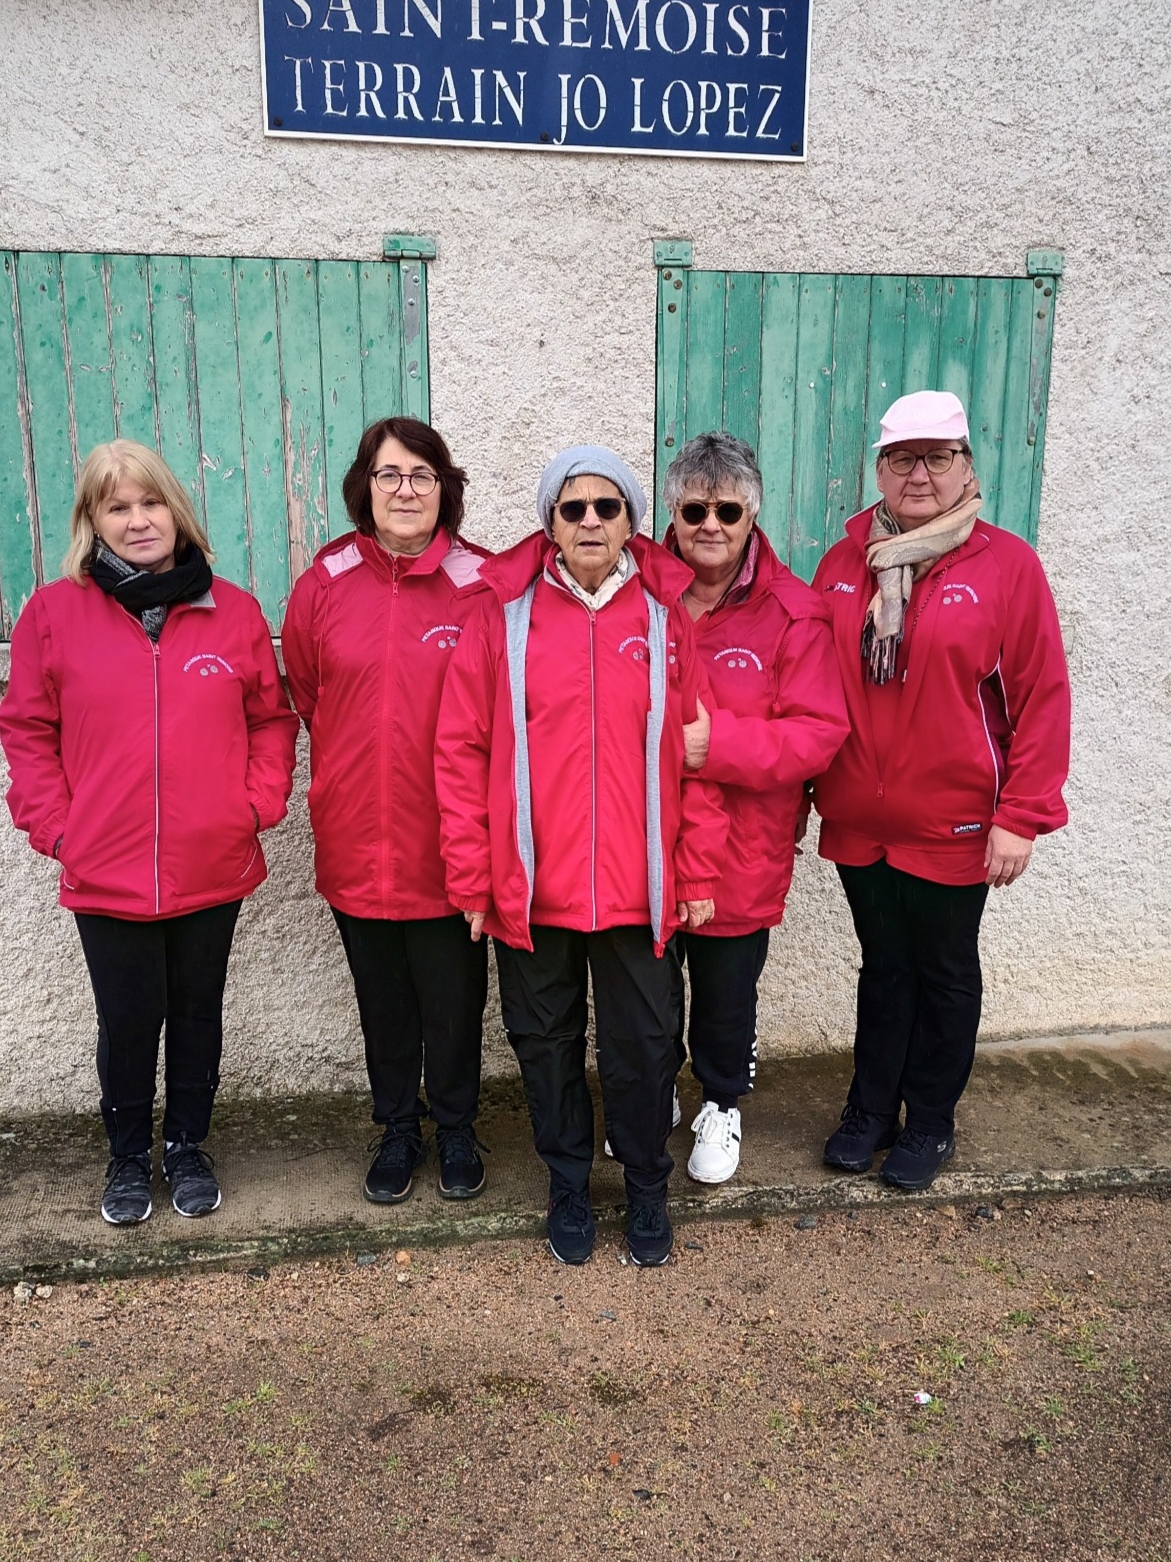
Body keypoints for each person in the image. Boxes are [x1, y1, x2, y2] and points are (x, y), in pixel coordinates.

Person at [435, 446, 728, 1267]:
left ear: (634, 521)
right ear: (550, 525)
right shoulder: (502, 617)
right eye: (573, 509)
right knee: (545, 1044)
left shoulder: (668, 620)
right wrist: (471, 878)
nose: (591, 521)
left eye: (607, 507)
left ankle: (643, 1187)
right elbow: (459, 753)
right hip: (534, 890)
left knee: (642, 1049)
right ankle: (567, 1184)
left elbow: (692, 760)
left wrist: (697, 871)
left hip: (639, 891)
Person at [0, 440, 298, 1225]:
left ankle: (187, 1147)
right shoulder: (52, 614)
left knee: (198, 1015)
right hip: (104, 867)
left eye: (150, 502)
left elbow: (270, 718)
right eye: (117, 507)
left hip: (214, 861)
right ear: (92, 522)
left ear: (176, 510)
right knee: (128, 1021)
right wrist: (58, 830)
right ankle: (128, 1156)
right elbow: (27, 730)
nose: (138, 521)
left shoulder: (230, 610)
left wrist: (257, 804)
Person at [811, 391, 1071, 1190]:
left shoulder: (1004, 564)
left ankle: (928, 1120)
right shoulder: (843, 558)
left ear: (966, 465)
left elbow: (1042, 696)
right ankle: (868, 1109)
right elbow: (814, 688)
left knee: (944, 970)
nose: (918, 474)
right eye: (901, 457)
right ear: (879, 468)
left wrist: (1021, 816)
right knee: (882, 967)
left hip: (956, 823)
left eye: (937, 457)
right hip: (860, 819)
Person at [282, 417, 492, 1207]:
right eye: (388, 475)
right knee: (383, 1004)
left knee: (453, 1000)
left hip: (451, 844)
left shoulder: (481, 583)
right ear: (363, 489)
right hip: (356, 837)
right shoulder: (324, 583)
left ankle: (459, 1128)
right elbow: (309, 694)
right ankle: (398, 1128)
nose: (405, 490)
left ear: (445, 490)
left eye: (421, 476)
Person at [663, 433, 850, 1183]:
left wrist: (720, 746)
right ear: (672, 514)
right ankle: (648, 1098)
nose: (711, 524)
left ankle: (720, 1103)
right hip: (639, 842)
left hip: (743, 845)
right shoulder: (636, 594)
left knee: (724, 990)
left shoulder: (794, 614)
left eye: (728, 510)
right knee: (640, 987)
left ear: (752, 514)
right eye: (695, 509)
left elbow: (816, 735)